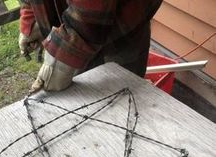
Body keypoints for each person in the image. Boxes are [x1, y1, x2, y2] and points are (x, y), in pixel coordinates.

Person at [19, 0, 163, 93]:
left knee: (124, 106)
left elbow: (92, 8)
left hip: (119, 33)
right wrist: (30, 18)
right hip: (72, 35)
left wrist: (63, 54)